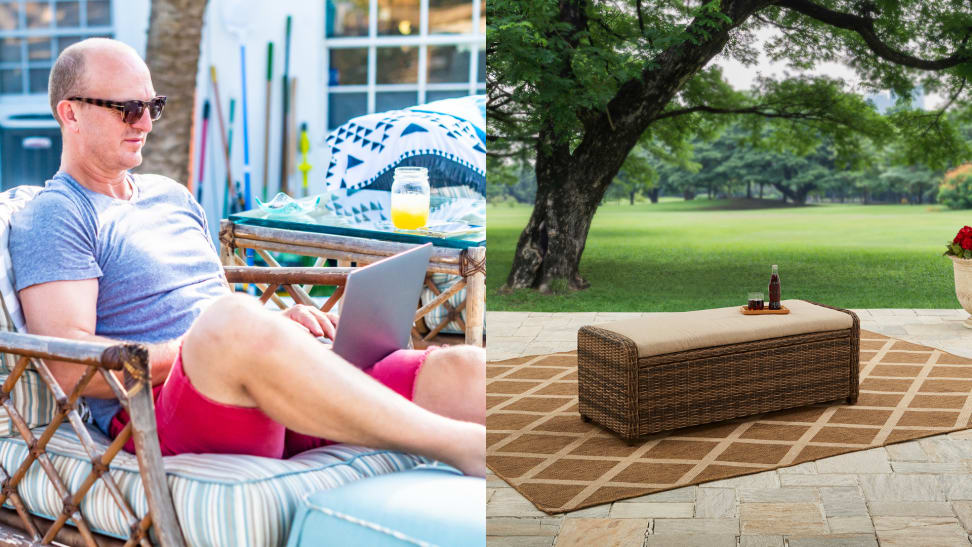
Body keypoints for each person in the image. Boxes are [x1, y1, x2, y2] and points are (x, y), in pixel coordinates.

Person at [8, 38, 485, 476]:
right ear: (70, 113)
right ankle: (458, 445)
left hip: (264, 385)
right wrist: (208, 344)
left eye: (153, 106)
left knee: (460, 367)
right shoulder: (56, 214)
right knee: (231, 320)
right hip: (165, 412)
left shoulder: (169, 195)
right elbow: (70, 368)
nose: (146, 124)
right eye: (128, 109)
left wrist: (275, 325)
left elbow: (214, 302)